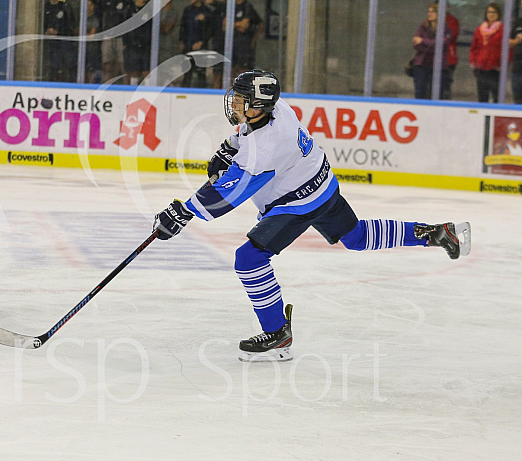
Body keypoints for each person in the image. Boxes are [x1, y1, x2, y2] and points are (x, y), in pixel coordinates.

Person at [152, 69, 471, 362]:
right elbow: (245, 137)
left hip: (297, 202)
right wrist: (229, 147)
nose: (234, 103)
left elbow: (231, 193)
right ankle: (436, 233)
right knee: (356, 237)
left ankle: (277, 335)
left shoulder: (266, 147)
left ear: (258, 105)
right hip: (321, 184)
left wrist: (182, 211)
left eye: (241, 99)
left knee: (249, 258)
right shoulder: (276, 109)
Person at [411, 3, 452, 100]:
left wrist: (424, 41)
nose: (429, 14)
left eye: (432, 12)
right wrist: (432, 45)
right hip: (422, 64)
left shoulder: (445, 30)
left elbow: (441, 45)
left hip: (437, 65)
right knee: (420, 92)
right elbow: (416, 45)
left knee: (438, 93)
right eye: (429, 12)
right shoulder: (423, 27)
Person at [470, 3, 506, 103]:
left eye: (494, 12)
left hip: (495, 68)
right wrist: (473, 62)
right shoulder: (480, 29)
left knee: (496, 96)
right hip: (481, 67)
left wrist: (502, 63)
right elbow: (474, 47)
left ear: (498, 14)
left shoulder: (502, 29)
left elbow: (507, 49)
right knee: (482, 96)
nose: (491, 14)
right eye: (489, 12)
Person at [179, 0, 213, 88]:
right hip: (188, 45)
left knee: (201, 72)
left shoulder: (207, 11)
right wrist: (181, 40)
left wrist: (202, 42)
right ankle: (184, 92)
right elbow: (183, 26)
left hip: (201, 47)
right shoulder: (187, 10)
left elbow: (210, 30)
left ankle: (202, 93)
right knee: (187, 71)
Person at [43, 0, 78, 82]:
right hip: (50, 44)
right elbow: (41, 24)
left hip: (64, 44)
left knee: (67, 67)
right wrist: (46, 32)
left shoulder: (65, 7)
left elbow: (71, 26)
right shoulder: (45, 8)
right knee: (53, 68)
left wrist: (58, 32)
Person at [229, 0, 263, 78]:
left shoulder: (247, 7)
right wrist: (237, 25)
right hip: (231, 44)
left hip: (244, 44)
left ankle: (243, 88)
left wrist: (254, 39)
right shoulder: (230, 7)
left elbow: (245, 25)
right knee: (231, 69)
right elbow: (225, 25)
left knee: (243, 69)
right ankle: (232, 88)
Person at [123, 0, 152, 85]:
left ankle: (148, 93)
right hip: (133, 44)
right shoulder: (129, 9)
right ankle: (133, 91)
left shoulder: (150, 9)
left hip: (146, 45)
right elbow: (125, 27)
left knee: (146, 71)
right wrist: (126, 41)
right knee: (134, 71)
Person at [444, 7, 460, 100]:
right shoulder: (428, 22)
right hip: (430, 60)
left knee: (445, 85)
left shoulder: (452, 21)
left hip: (449, 59)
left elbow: (451, 36)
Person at [509, 1, 522, 103]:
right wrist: (516, 40)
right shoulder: (518, 22)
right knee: (517, 96)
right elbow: (508, 41)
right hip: (517, 65)